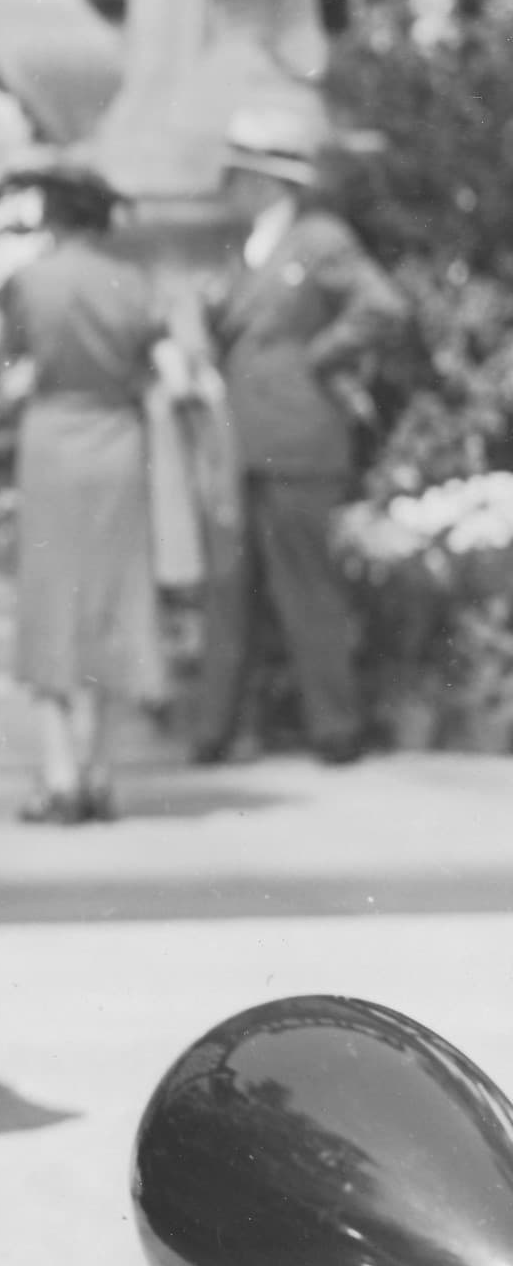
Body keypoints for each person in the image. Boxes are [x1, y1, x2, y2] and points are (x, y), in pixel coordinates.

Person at [194, 104, 403, 768]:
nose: (233, 185)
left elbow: (382, 306)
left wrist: (322, 353)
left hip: (299, 434)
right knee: (230, 588)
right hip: (242, 435)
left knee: (306, 585)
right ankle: (215, 727)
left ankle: (334, 727)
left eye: (244, 173)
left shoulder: (319, 238)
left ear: (271, 180)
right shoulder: (246, 245)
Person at [0, 160, 170, 824]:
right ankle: (99, 769)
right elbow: (157, 362)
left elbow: (15, 366)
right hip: (118, 440)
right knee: (112, 598)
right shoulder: (134, 283)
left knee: (51, 599)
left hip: (52, 442)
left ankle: (59, 770)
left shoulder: (31, 282)